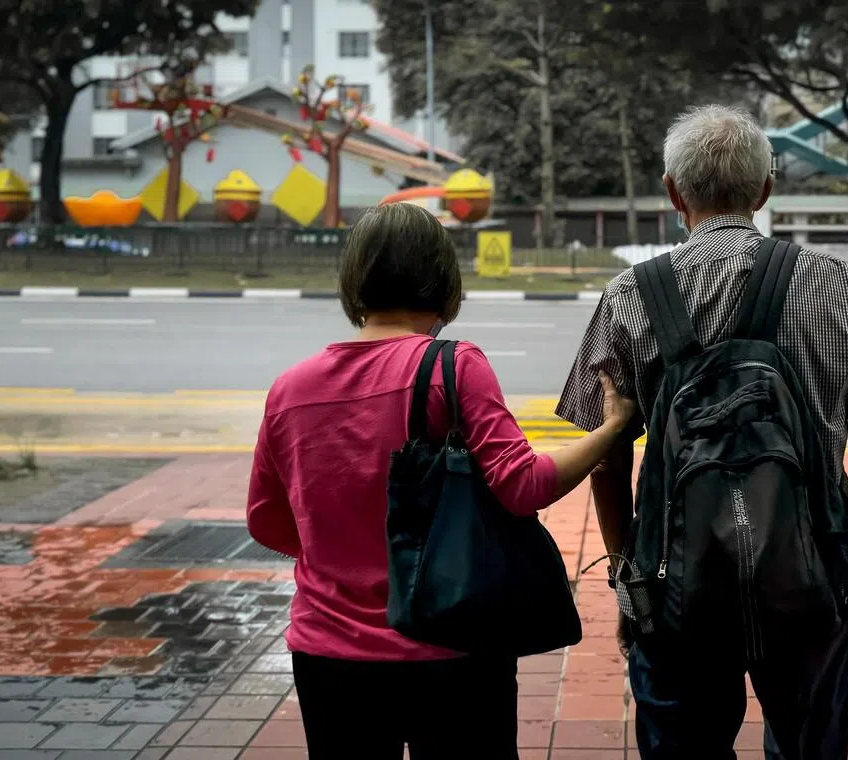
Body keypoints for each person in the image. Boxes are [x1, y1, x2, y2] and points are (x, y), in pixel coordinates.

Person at [557, 105, 848, 759]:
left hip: (676, 584)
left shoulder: (629, 296)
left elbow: (605, 457)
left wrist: (631, 572)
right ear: (765, 190)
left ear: (672, 192)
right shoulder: (832, 284)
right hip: (810, 574)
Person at [246, 202, 636, 759]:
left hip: (327, 655)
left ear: (355, 277)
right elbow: (522, 487)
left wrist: (347, 556)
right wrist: (614, 428)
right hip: (452, 646)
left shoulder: (290, 387)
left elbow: (267, 520)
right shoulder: (453, 367)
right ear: (441, 278)